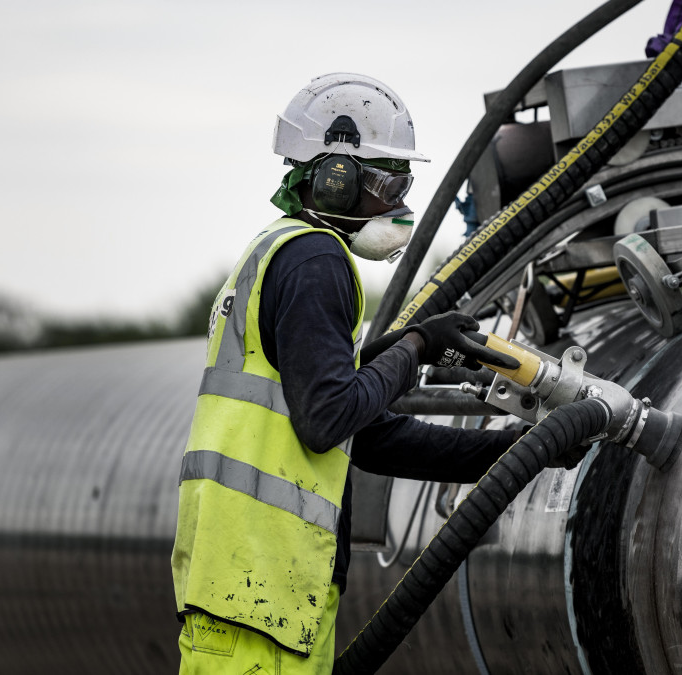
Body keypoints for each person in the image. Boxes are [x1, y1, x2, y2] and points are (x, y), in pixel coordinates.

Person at [170, 73, 521, 675]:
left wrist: (519, 452)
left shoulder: (277, 250)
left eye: (404, 185)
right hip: (260, 592)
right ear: (336, 177)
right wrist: (415, 346)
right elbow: (327, 417)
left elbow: (368, 435)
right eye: (387, 184)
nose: (398, 206)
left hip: (256, 589)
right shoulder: (316, 260)